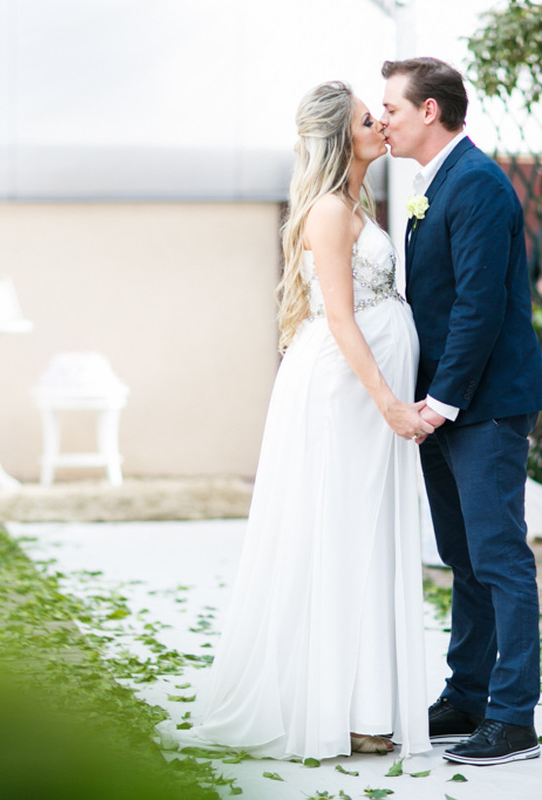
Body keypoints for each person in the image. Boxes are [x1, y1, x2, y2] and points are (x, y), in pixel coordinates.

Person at [184, 81, 434, 762]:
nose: (381, 122)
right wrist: (387, 400)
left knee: (366, 536)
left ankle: (362, 704)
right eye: (366, 119)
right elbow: (342, 319)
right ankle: (332, 708)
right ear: (340, 138)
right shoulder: (328, 211)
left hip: (363, 395)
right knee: (338, 535)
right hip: (344, 397)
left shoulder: (358, 202)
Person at [379, 57, 542, 766]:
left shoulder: (478, 184)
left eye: (391, 106)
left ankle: (514, 718)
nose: (382, 118)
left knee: (500, 558)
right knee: (462, 558)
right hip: (445, 408)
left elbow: (479, 308)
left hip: (484, 407)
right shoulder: (436, 182)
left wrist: (441, 403)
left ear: (429, 111)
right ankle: (468, 694)